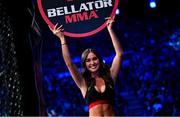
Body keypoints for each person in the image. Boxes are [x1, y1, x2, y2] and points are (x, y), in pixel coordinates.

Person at [49, 16, 123, 116]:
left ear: (100, 60)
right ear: (85, 64)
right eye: (88, 60)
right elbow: (69, 63)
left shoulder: (110, 76)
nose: (92, 63)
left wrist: (110, 29)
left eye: (95, 59)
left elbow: (119, 54)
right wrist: (62, 39)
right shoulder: (83, 82)